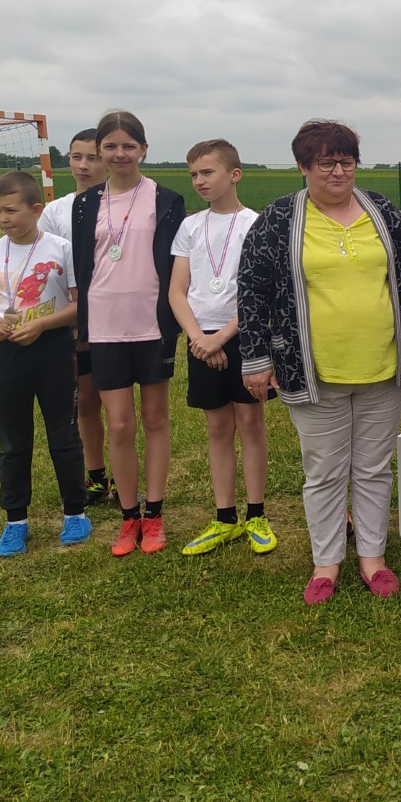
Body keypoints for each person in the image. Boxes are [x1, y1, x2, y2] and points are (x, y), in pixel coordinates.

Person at [239, 120, 401, 605]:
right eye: (326, 163)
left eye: (346, 161)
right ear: (303, 166)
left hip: (381, 365)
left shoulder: (381, 210)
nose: (338, 171)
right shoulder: (278, 219)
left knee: (374, 468)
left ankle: (373, 558)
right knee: (324, 472)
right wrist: (255, 358)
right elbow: (251, 290)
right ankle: (326, 562)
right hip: (313, 369)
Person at [72, 110, 185, 557]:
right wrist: (82, 327)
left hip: (152, 325)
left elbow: (176, 267)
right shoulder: (86, 203)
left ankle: (154, 515)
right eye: (111, 146)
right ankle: (128, 517)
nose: (120, 154)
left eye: (128, 145)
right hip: (104, 326)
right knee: (118, 424)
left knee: (155, 420)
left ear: (143, 149)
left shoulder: (167, 199)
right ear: (100, 150)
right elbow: (84, 265)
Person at [0, 171, 88, 556]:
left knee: (64, 435)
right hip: (7, 354)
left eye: (11, 210)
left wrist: (42, 325)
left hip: (54, 350)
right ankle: (15, 520)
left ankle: (75, 512)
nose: (3, 218)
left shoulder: (62, 249)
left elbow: (79, 305)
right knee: (13, 440)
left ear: (36, 209)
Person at [169, 140, 275, 558]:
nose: (199, 181)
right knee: (217, 428)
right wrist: (199, 338)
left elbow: (261, 294)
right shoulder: (190, 227)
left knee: (250, 423)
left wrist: (221, 338)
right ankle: (225, 518)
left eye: (207, 172)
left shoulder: (256, 224)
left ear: (234, 174)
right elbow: (177, 291)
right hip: (201, 339)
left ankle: (256, 515)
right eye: (194, 174)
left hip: (244, 336)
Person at [39, 128, 109, 505]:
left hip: (115, 316)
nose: (83, 165)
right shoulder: (55, 211)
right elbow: (48, 266)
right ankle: (96, 476)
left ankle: (129, 478)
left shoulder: (121, 204)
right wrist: (69, 316)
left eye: (92, 157)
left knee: (118, 404)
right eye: (76, 156)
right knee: (85, 401)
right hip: (75, 319)